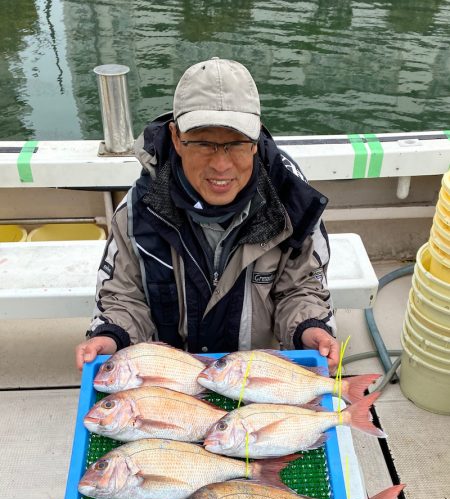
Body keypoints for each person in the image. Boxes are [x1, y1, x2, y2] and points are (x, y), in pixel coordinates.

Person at [76, 57, 339, 371]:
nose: (221, 165)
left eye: (236, 143)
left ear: (256, 141)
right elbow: (124, 297)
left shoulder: (293, 208)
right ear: (177, 138)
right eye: (203, 143)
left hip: (253, 376)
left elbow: (300, 289)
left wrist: (309, 327)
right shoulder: (137, 214)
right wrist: (111, 335)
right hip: (169, 378)